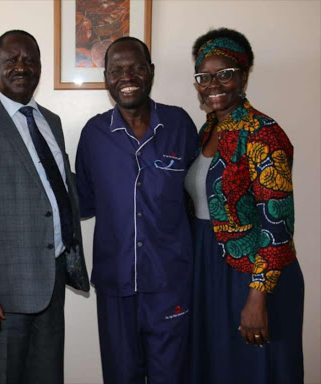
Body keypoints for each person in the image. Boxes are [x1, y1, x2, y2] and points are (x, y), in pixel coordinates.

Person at [0, 30, 89, 384]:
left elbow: (54, 190)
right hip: (0, 295)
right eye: (11, 59)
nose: (21, 66)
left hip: (51, 283)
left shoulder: (49, 121)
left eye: (30, 60)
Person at [75, 37, 198, 384]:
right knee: (121, 376)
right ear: (106, 78)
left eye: (136, 68)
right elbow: (85, 201)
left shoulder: (179, 125)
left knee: (172, 376)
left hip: (170, 282)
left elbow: (197, 196)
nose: (126, 77)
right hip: (116, 285)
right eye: (117, 70)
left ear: (151, 72)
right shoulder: (94, 134)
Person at [186, 28, 304, 384]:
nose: (213, 84)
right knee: (218, 365)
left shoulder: (264, 134)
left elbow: (278, 225)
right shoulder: (206, 131)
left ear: (244, 74)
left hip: (255, 274)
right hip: (209, 266)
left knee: (256, 369)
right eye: (203, 77)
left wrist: (257, 298)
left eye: (225, 73)